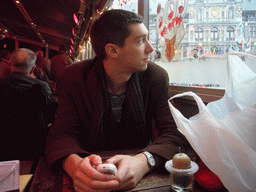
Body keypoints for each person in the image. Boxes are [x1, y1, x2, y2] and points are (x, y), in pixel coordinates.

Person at [46, 9, 189, 191]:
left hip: (139, 175)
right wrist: (75, 166)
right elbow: (60, 135)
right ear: (112, 50)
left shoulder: (155, 77)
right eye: (140, 40)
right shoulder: (75, 77)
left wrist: (144, 161)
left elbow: (175, 133)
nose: (150, 48)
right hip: (91, 166)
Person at [0, 48, 58, 161]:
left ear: (10, 63)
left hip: (3, 149)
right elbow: (53, 115)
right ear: (33, 68)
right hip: (35, 149)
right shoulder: (42, 87)